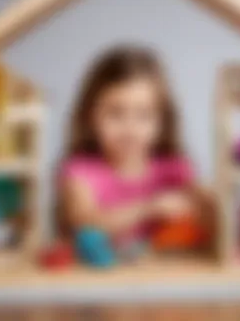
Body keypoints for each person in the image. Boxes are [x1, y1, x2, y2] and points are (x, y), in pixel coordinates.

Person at [59, 45, 212, 261]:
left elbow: (204, 208)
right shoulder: (80, 171)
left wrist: (205, 200)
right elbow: (84, 220)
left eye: (144, 115)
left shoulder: (175, 169)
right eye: (115, 113)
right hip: (100, 282)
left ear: (162, 121)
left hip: (161, 281)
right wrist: (149, 208)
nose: (130, 128)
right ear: (89, 116)